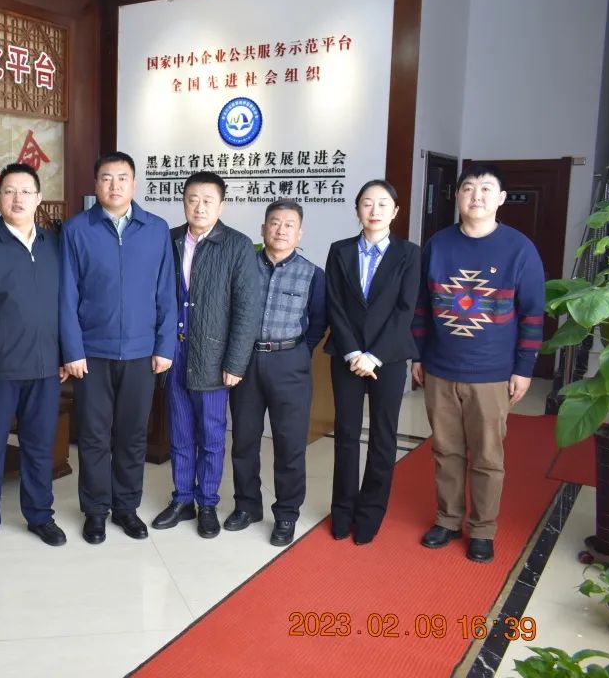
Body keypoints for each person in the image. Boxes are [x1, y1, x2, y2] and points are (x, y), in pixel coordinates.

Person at [412, 163, 544, 563]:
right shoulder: (437, 245)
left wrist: (524, 368)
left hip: (492, 374)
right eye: (468, 188)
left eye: (486, 189)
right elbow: (421, 306)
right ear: (457, 196)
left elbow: (533, 314)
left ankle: (483, 529)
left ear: (500, 198)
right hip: (439, 368)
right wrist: (418, 355)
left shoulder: (519, 248)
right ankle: (448, 520)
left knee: (487, 457)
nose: (477, 196)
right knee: (445, 450)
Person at [59, 150, 177, 544]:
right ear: (96, 184)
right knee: (93, 436)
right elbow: (67, 294)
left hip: (143, 353)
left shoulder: (156, 229)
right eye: (106, 178)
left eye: (122, 178)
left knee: (132, 435)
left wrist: (165, 345)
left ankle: (126, 507)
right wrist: (72, 349)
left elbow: (166, 291)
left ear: (134, 183)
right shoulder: (77, 229)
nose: (114, 185)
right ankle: (95, 511)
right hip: (92, 352)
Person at [0, 162, 67, 555]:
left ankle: (39, 515)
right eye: (9, 191)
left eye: (25, 191)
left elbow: (65, 306)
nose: (17, 198)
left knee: (39, 447)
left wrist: (63, 354)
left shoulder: (54, 245)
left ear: (39, 198)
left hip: (45, 368)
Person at [151, 171, 260, 538]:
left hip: (213, 355)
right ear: (184, 202)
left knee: (211, 435)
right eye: (192, 199)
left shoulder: (237, 245)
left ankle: (207, 502)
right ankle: (182, 499)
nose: (199, 207)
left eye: (208, 200)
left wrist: (235, 361)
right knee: (179, 432)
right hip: (174, 354)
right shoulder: (168, 240)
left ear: (221, 205)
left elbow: (247, 310)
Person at [324, 180, 420, 544]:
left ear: (395, 211)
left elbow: (405, 310)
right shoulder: (340, 250)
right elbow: (334, 304)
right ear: (357, 210)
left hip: (388, 358)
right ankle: (343, 510)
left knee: (383, 436)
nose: (374, 210)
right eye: (367, 203)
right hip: (346, 357)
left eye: (383, 204)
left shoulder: (409, 254)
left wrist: (374, 356)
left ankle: (370, 513)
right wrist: (353, 352)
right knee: (346, 434)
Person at [227, 199, 327, 546]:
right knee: (244, 439)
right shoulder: (244, 266)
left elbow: (318, 321)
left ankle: (286, 513)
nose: (280, 230)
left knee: (289, 443)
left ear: (300, 233)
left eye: (289, 225)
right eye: (274, 223)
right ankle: (247, 506)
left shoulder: (313, 274)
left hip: (289, 363)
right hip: (246, 362)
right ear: (263, 228)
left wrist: (298, 351)